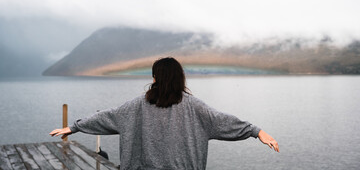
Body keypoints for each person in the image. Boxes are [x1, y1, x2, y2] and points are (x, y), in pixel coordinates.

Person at [50, 57, 279, 169]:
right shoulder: (195, 107)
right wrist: (256, 132)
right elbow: (224, 122)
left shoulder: (136, 106)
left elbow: (105, 117)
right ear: (180, 78)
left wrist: (74, 127)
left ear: (155, 79)